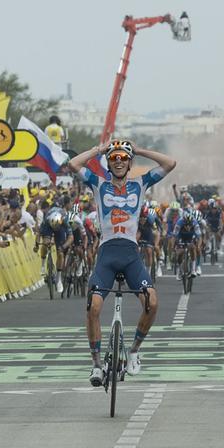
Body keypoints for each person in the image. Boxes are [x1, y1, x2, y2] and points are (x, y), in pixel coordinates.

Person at [68, 139, 176, 385]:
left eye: (123, 158)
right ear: (108, 162)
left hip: (130, 255)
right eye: (114, 158)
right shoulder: (98, 183)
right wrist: (97, 150)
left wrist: (138, 150)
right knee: (93, 307)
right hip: (106, 254)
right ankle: (96, 364)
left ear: (129, 163)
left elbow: (170, 163)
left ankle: (135, 350)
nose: (118, 161)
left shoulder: (141, 183)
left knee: (153, 303)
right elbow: (73, 164)